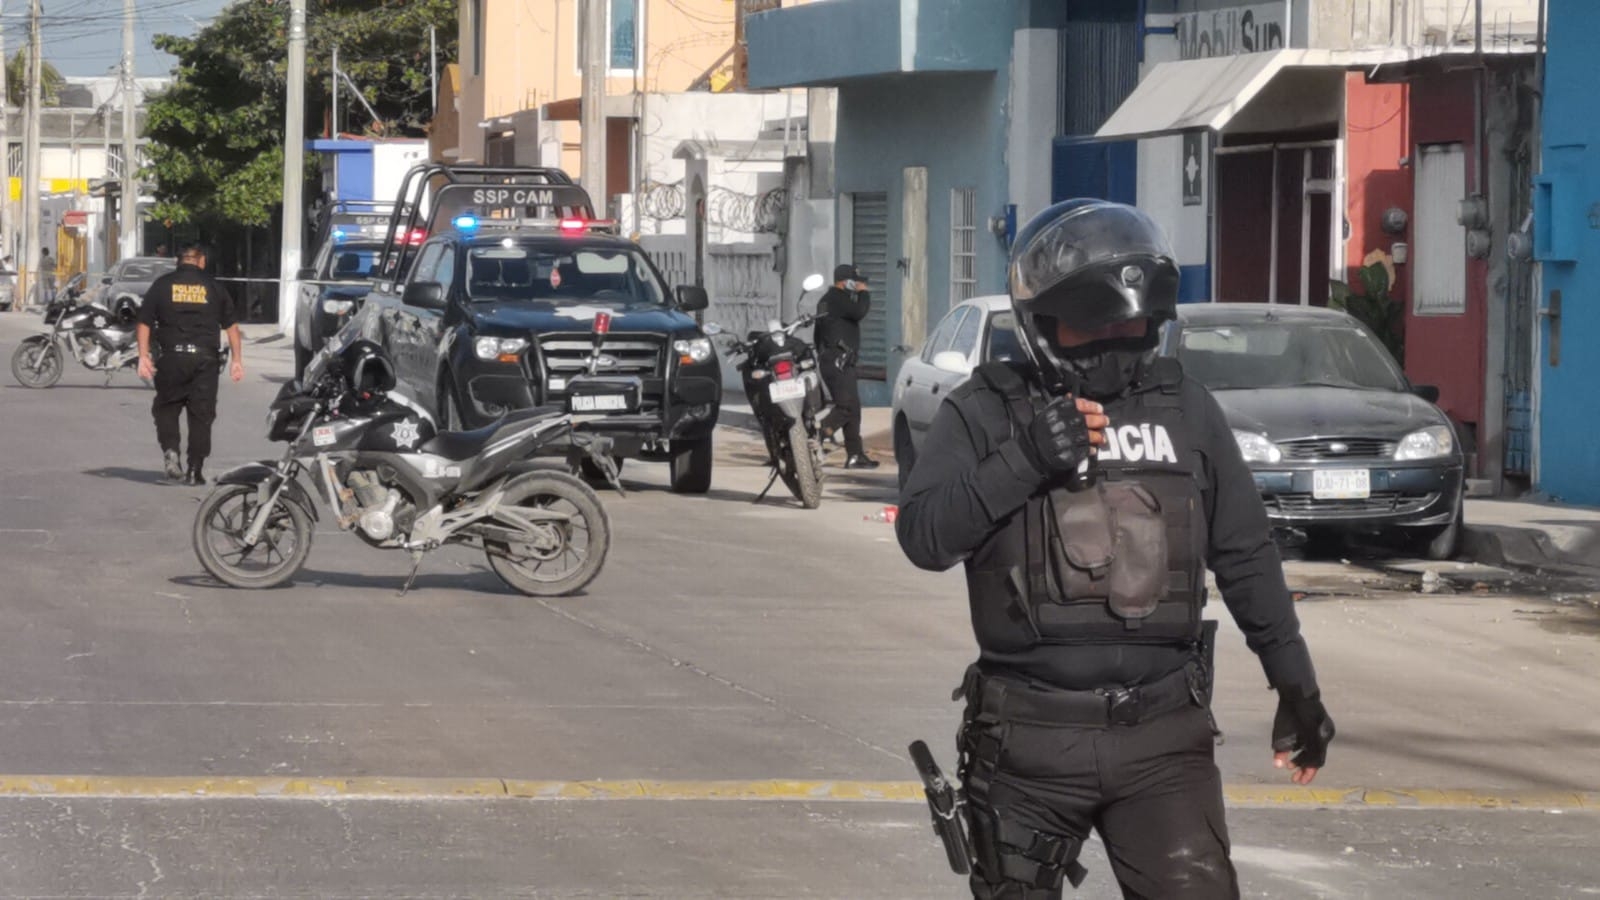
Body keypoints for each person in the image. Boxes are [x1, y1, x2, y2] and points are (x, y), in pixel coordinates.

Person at [895, 199, 1334, 899]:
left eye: (1133, 328)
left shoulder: (1185, 408)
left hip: (1163, 742)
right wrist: (1027, 457)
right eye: (1093, 329)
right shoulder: (986, 410)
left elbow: (1247, 554)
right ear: (1041, 324)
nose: (1116, 345)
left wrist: (1297, 686)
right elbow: (923, 537)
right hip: (1026, 746)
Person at [136, 243, 245, 485]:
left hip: (171, 358)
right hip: (205, 361)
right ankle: (195, 469)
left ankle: (171, 452)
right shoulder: (214, 287)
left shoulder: (162, 285)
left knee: (166, 408)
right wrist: (237, 361)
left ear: (179, 260)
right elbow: (232, 328)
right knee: (202, 417)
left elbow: (144, 322)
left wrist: (143, 356)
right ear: (202, 261)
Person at [813, 263, 879, 469]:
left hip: (836, 360)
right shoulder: (836, 299)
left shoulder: (828, 300)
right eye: (856, 281)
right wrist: (864, 293)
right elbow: (860, 311)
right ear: (845, 281)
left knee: (853, 409)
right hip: (837, 361)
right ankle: (820, 432)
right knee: (846, 407)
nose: (858, 285)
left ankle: (855, 455)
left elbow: (818, 335)